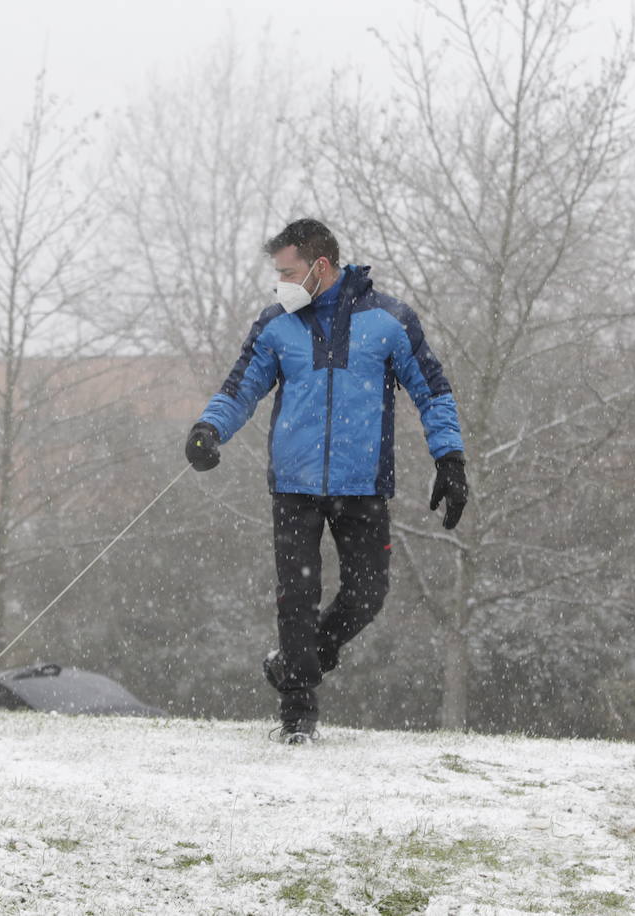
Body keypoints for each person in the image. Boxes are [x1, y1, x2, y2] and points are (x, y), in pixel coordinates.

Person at [185, 218, 468, 744]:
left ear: (320, 267)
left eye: (288, 272)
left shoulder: (389, 320)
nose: (280, 284)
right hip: (294, 486)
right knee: (297, 596)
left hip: (362, 485)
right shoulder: (276, 325)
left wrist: (449, 459)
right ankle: (298, 716)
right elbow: (240, 388)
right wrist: (208, 429)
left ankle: (298, 661)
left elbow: (433, 390)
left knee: (368, 594)